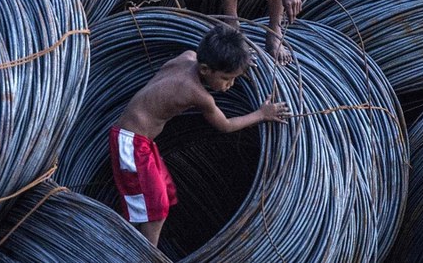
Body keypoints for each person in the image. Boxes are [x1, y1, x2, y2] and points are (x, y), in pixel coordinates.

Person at [109, 24, 289, 247]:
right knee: (156, 207)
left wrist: (239, 60)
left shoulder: (188, 56)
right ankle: (148, 254)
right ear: (205, 70)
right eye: (226, 78)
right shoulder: (197, 93)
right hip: (131, 143)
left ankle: (137, 244)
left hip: (141, 142)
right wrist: (261, 114)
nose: (230, 85)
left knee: (164, 193)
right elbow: (225, 125)